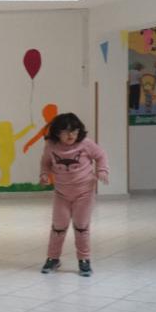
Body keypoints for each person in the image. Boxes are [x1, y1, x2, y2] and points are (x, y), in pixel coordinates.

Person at [39, 112, 109, 277]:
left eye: (74, 131)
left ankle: (84, 260)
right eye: (66, 132)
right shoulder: (51, 146)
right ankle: (53, 258)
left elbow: (101, 156)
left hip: (84, 193)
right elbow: (45, 163)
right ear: (57, 132)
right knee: (58, 226)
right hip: (61, 194)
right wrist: (44, 174)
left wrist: (102, 170)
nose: (71, 135)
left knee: (81, 226)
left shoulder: (85, 144)